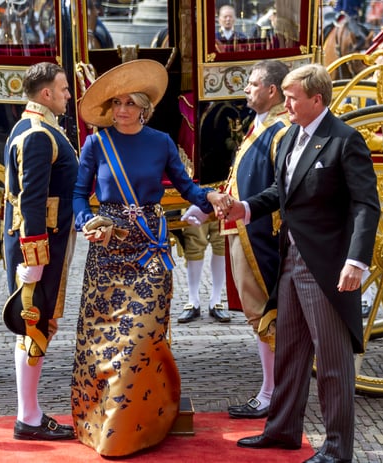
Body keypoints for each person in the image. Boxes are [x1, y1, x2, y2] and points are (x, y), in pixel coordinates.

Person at [217, 63, 380, 463]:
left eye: (292, 98)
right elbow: (279, 191)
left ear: (317, 100)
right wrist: (244, 208)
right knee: (290, 352)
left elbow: (366, 206)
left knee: (332, 364)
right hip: (290, 259)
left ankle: (338, 450)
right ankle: (284, 430)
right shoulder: (291, 135)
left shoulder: (344, 140)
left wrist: (356, 261)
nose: (285, 104)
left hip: (325, 266)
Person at [71, 59, 225, 457]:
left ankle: (138, 426)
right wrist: (87, 221)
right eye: (116, 103)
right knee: (104, 343)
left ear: (144, 107)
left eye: (129, 103)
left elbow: (187, 187)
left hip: (149, 250)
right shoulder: (96, 143)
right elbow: (77, 194)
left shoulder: (161, 142)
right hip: (107, 252)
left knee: (140, 340)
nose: (121, 109)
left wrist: (209, 196)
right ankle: (105, 425)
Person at [184, 59, 290, 418]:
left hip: (261, 233)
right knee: (258, 313)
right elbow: (237, 179)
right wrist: (207, 208)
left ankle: (271, 392)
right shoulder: (261, 125)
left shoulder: (280, 130)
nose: (246, 88)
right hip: (245, 229)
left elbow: (278, 189)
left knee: (265, 313)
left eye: (253, 83)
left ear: (271, 90)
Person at [2, 62, 77, 441]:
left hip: (44, 243)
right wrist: (33, 262)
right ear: (46, 94)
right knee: (35, 324)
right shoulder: (37, 134)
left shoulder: (35, 127)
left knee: (36, 324)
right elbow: (30, 201)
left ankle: (29, 412)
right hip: (41, 246)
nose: (68, 95)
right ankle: (28, 417)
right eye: (64, 89)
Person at [174, 220, 231, 323]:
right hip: (196, 205)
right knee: (193, 243)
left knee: (222, 243)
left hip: (223, 206)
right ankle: (193, 301)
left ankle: (216, 300)